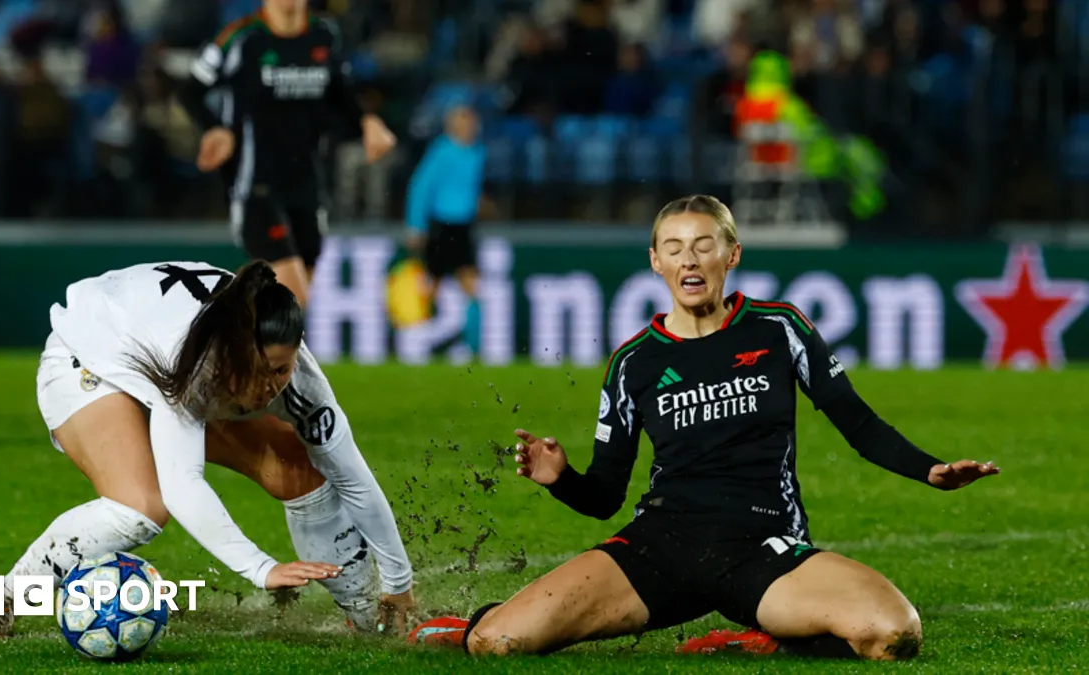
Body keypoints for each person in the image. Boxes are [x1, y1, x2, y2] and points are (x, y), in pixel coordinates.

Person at [408, 195, 999, 659]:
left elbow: (858, 422)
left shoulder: (778, 328)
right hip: (661, 545)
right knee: (499, 644)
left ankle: (767, 637)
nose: (689, 259)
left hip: (761, 549)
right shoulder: (633, 362)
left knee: (894, 634)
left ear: (731, 254)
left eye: (703, 245)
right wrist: (562, 479)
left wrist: (931, 470)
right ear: (656, 262)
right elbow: (605, 496)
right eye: (674, 248)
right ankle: (464, 627)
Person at [0, 260, 416, 642]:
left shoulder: (299, 383)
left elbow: (353, 478)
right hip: (91, 357)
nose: (270, 387)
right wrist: (261, 568)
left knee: (294, 469)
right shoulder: (189, 363)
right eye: (261, 370)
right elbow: (183, 485)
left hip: (157, 349)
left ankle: (371, 621)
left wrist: (399, 582)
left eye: (282, 368)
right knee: (140, 507)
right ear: (233, 353)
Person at [178, 0, 397, 305]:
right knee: (292, 298)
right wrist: (216, 128)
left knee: (282, 300)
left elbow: (342, 97)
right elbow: (191, 90)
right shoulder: (241, 38)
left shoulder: (325, 35)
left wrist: (367, 122)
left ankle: (220, 331)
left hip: (308, 183)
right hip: (256, 183)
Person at [403, 105, 486, 355]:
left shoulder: (477, 153)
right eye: (467, 122)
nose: (472, 128)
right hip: (441, 224)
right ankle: (417, 340)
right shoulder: (441, 151)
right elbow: (420, 187)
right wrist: (415, 225)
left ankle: (472, 346)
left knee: (472, 285)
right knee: (431, 285)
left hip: (464, 226)